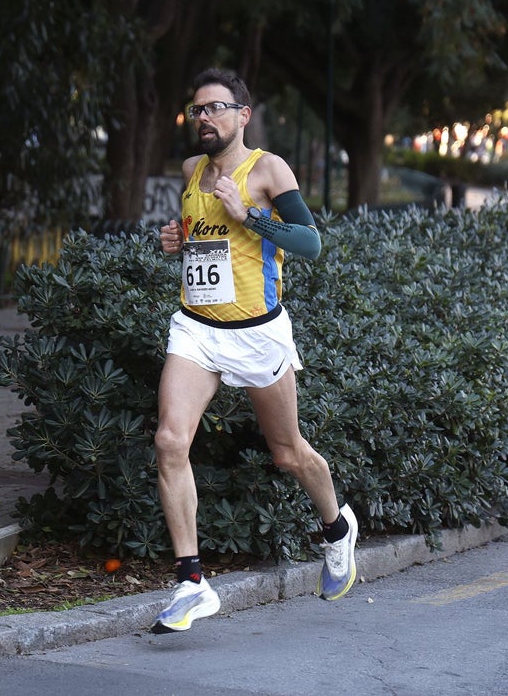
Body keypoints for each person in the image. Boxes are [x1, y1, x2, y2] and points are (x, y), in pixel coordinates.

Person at [151, 68, 357, 634]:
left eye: (217, 108)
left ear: (243, 115)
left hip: (258, 333)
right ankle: (192, 583)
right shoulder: (192, 171)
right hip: (196, 328)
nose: (205, 119)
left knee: (288, 453)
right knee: (170, 440)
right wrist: (177, 242)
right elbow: (202, 243)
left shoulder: (267, 169)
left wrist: (251, 216)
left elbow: (310, 243)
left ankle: (337, 530)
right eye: (198, 110)